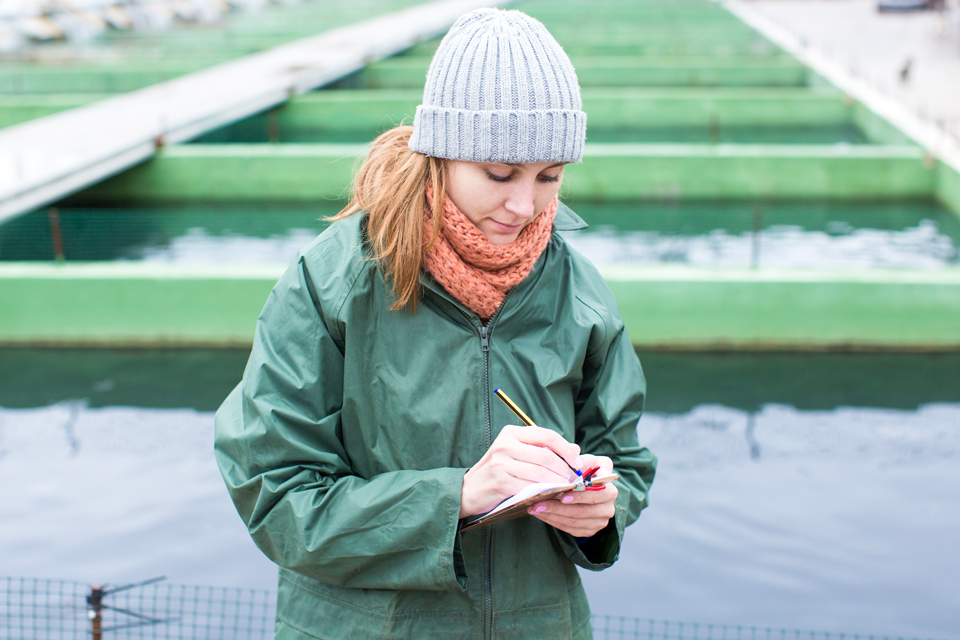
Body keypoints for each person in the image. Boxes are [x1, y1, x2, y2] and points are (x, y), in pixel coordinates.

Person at [214, 8, 656, 640]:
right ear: (438, 155)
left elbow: (624, 458)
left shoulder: (578, 290)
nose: (525, 205)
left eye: (550, 177)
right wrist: (460, 497)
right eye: (499, 174)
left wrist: (601, 509)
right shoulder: (335, 280)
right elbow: (274, 495)